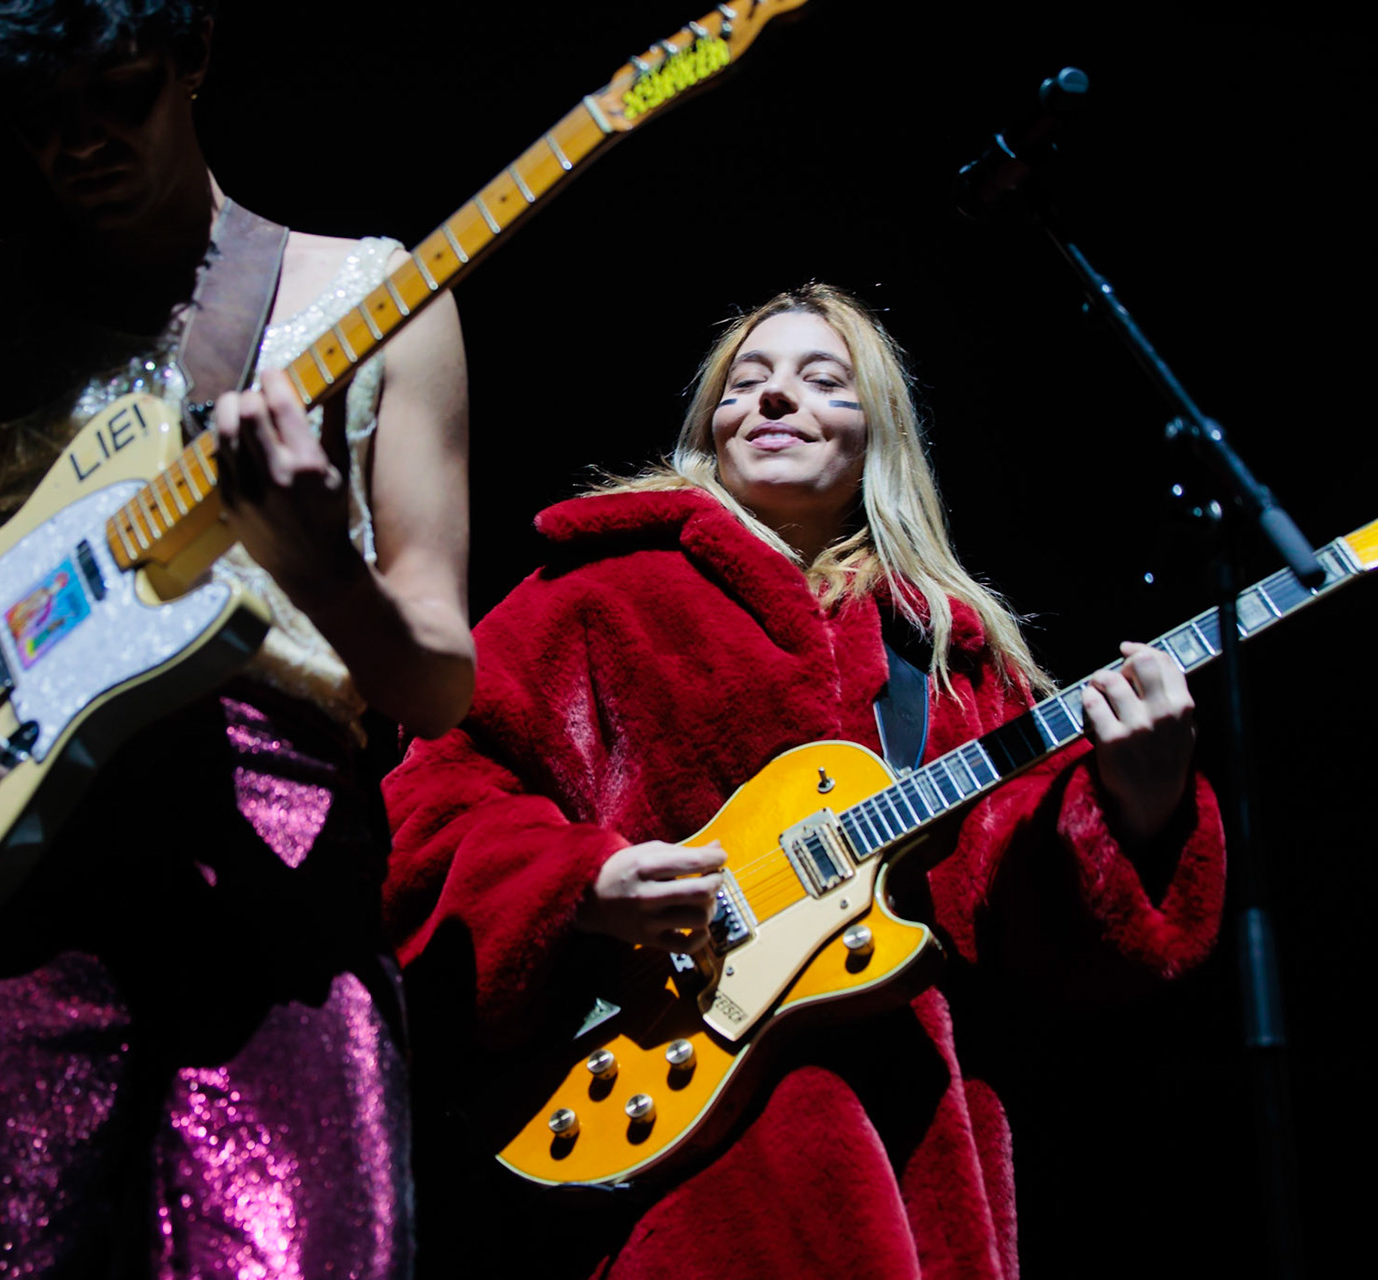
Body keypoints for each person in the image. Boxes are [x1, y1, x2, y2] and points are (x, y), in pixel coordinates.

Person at [0, 2, 473, 1276]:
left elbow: (441, 681)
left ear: (193, 56)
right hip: (6, 849)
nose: (80, 144)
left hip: (276, 869)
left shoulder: (377, 295)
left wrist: (320, 565)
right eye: (40, 117)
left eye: (118, 94)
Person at [381, 284, 1224, 1279]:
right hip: (682, 1159)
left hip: (920, 1158)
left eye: (823, 381)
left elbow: (1032, 922)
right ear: (711, 426)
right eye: (747, 383)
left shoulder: (949, 648)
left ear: (880, 436)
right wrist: (580, 883)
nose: (777, 398)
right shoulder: (593, 594)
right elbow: (426, 808)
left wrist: (1139, 800)